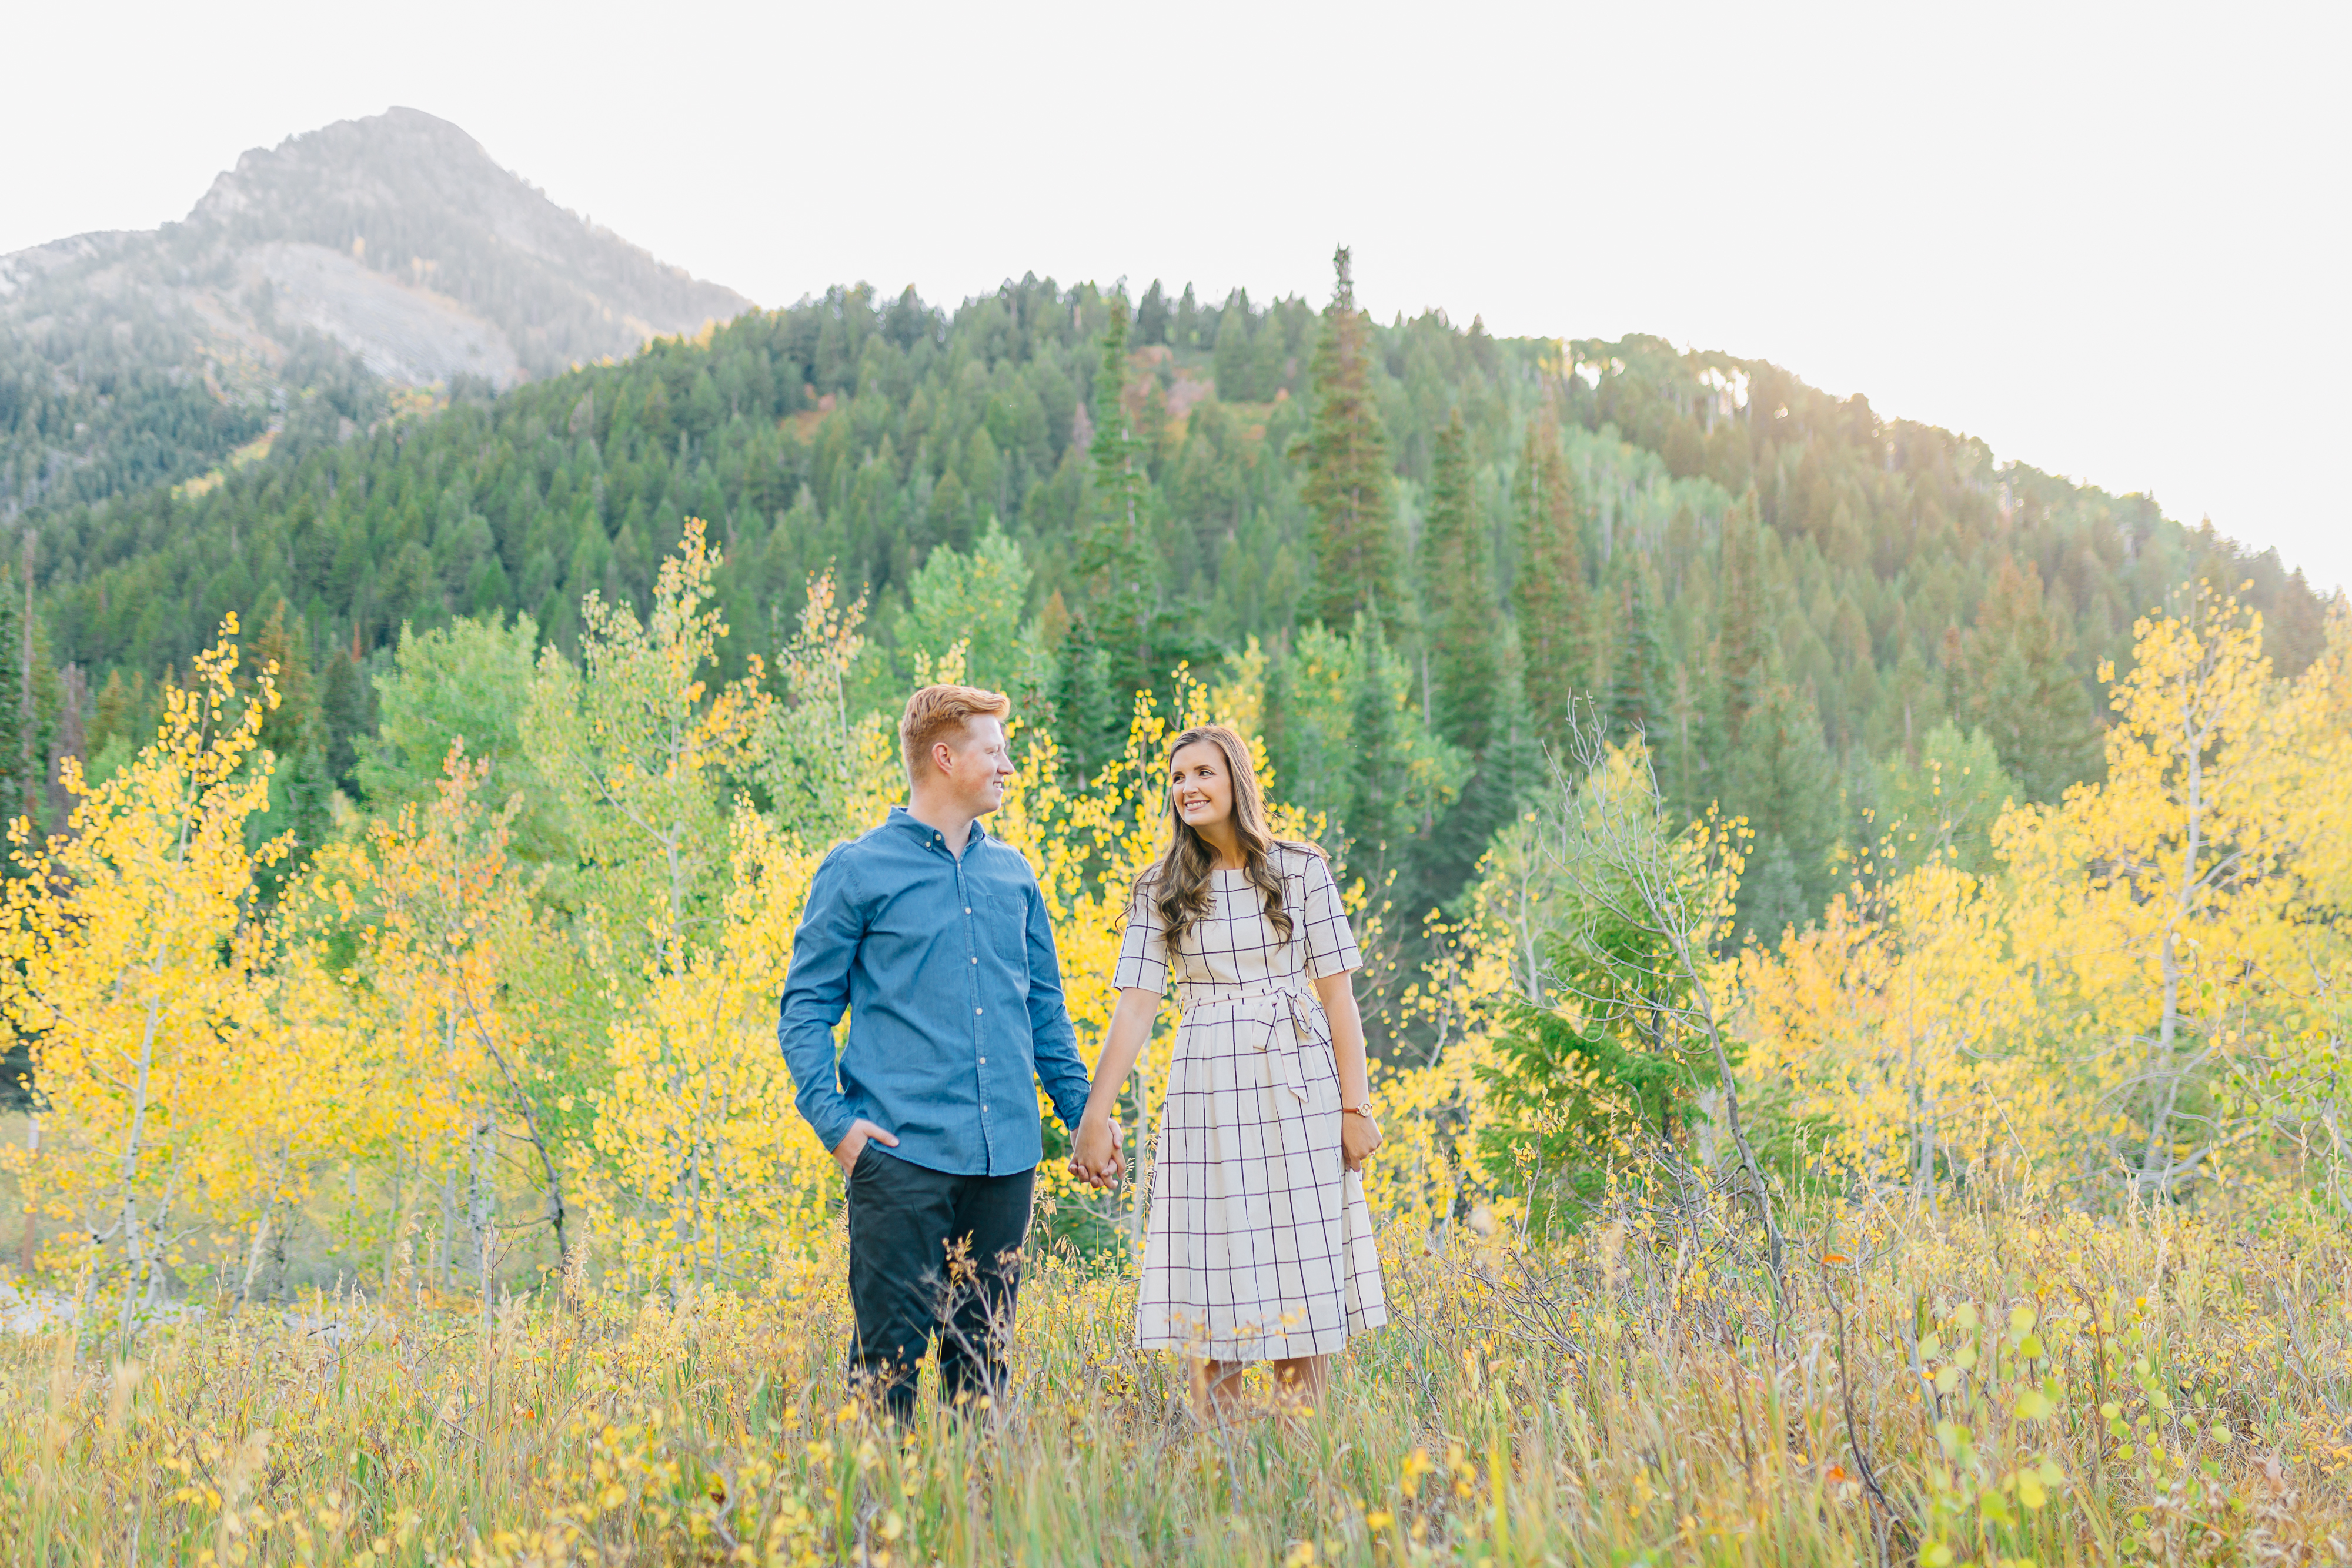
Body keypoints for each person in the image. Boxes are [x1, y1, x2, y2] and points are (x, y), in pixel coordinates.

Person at [778, 683, 1118, 1425]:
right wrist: (835, 1127)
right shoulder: (858, 869)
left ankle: (973, 1524)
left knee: (983, 1368)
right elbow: (805, 1008)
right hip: (899, 1159)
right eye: (995, 750)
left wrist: (1084, 1115)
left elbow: (1045, 1012)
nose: (1008, 766)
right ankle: (882, 1535)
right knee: (885, 1372)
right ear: (944, 757)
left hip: (1005, 1165)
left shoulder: (1014, 875)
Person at [1071, 723, 1387, 1420]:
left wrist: (1355, 1109)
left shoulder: (1301, 870)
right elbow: (1133, 1012)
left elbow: (1339, 1000)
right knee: (1212, 1269)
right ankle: (1224, 1468)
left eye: (1202, 773)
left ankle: (1300, 1462)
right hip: (1207, 1085)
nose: (1187, 788)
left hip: (1297, 1082)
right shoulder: (1159, 888)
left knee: (1299, 1265)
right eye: (1177, 778)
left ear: (1235, 780)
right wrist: (1096, 1115)